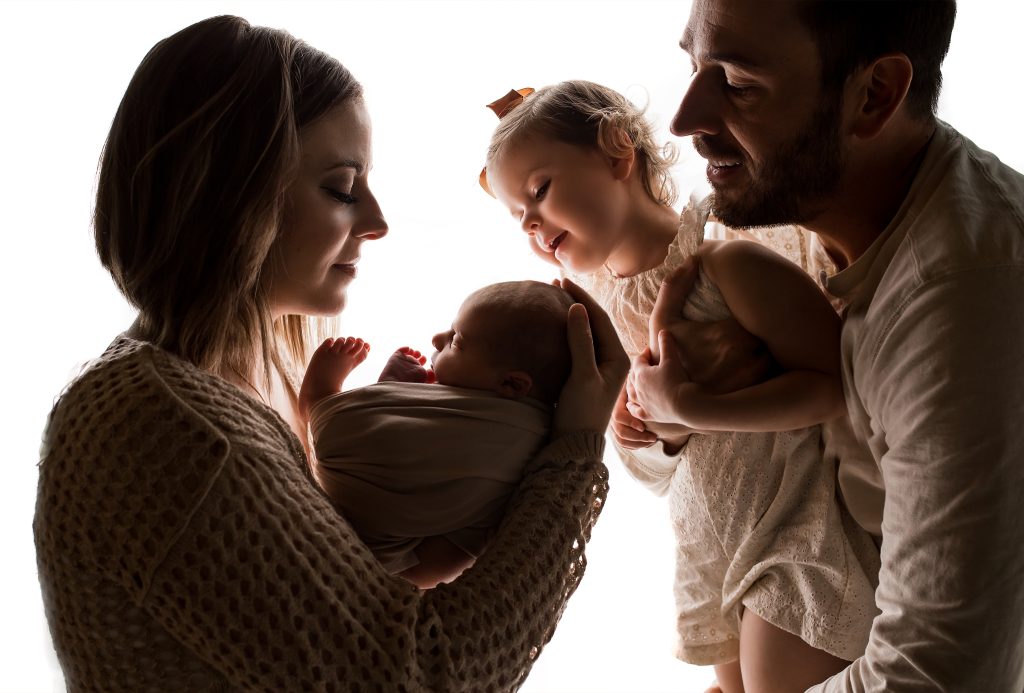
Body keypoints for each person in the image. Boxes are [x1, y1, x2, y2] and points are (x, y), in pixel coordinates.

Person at [32, 15, 629, 691]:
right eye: (343, 188)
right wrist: (573, 454)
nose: (376, 220)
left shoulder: (263, 379)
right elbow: (421, 674)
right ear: (232, 200)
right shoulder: (159, 425)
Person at [651, 0, 1024, 689]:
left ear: (874, 95)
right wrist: (672, 418)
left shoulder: (960, 304)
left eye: (735, 82)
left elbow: (936, 674)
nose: (684, 121)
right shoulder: (805, 227)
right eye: (693, 65)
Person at [482, 79, 880, 692]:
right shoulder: (597, 325)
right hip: (709, 556)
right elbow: (649, 473)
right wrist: (658, 429)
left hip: (793, 537)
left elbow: (833, 388)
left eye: (540, 190)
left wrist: (690, 405)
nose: (532, 224)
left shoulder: (724, 258)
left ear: (618, 153)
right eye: (518, 218)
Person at [298, 281, 575, 588]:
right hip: (381, 560)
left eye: (455, 341)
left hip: (335, 528)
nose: (437, 338)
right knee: (456, 544)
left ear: (511, 384)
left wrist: (326, 397)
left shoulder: (497, 430)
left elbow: (366, 439)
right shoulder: (537, 442)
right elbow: (459, 546)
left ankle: (319, 395)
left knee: (323, 422)